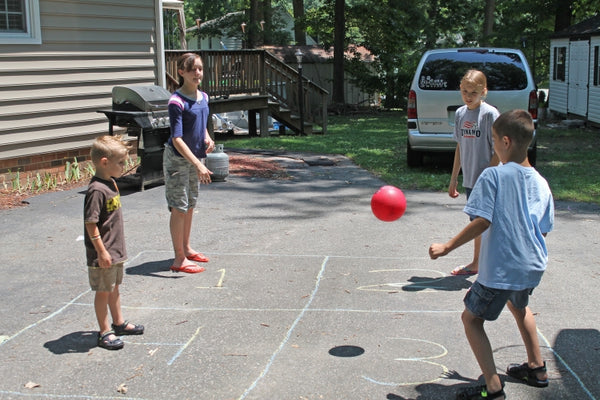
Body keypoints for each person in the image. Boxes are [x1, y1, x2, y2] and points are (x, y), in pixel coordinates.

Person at [429, 110, 554, 400]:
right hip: (531, 266)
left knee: (471, 320)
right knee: (519, 306)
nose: (493, 145)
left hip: (502, 268)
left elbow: (481, 221)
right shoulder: (541, 182)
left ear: (506, 141)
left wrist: (447, 247)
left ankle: (493, 386)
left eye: (494, 140)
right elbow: (542, 230)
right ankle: (537, 368)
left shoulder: (493, 175)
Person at [84, 135, 144, 351]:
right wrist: (101, 252)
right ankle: (104, 332)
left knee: (114, 288)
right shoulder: (97, 190)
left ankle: (118, 323)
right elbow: (91, 223)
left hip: (115, 250)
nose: (124, 166)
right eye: (120, 163)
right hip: (103, 253)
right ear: (104, 162)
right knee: (103, 291)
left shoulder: (110, 183)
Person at [164, 52, 215, 274]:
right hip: (178, 160)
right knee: (179, 207)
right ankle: (178, 259)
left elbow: (200, 122)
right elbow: (177, 138)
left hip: (195, 159)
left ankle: (186, 247)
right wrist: (198, 164)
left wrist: (206, 136)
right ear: (181, 72)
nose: (198, 73)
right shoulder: (176, 102)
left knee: (190, 204)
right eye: (193, 69)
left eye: (200, 68)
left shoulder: (203, 97)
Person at [448, 70, 500, 276]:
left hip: (488, 180)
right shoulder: (461, 114)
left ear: (484, 92)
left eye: (474, 92)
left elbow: (498, 151)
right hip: (470, 179)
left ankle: (480, 263)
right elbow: (460, 147)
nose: (469, 96)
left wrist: (487, 177)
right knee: (476, 222)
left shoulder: (490, 114)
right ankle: (480, 263)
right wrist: (454, 178)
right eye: (464, 91)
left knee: (483, 223)